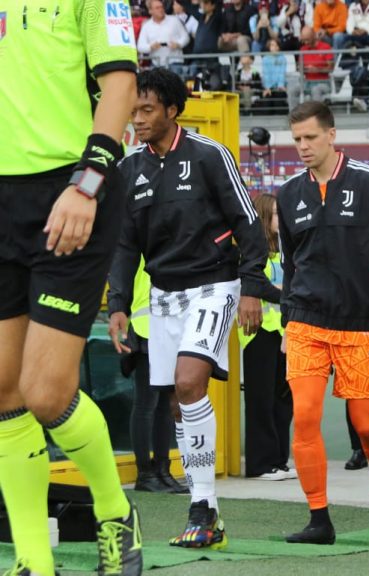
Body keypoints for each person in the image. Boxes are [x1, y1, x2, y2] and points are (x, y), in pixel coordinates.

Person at [0, 0, 141, 570]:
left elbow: (121, 85)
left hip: (72, 191)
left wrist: (88, 182)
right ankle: (34, 561)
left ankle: (115, 511)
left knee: (45, 393)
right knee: (3, 392)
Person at [108, 68, 269, 549]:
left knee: (188, 383)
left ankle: (202, 507)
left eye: (147, 110)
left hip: (213, 285)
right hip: (163, 297)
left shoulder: (208, 155)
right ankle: (207, 512)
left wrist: (252, 287)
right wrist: (117, 304)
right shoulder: (129, 170)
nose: (138, 119)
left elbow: (249, 223)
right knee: (179, 401)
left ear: (172, 110)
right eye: (133, 111)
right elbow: (124, 245)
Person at [276, 101, 369, 544]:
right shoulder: (288, 193)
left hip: (360, 323)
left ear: (332, 135)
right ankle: (319, 519)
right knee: (304, 416)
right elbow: (291, 265)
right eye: (297, 139)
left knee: (368, 425)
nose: (303, 146)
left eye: (310, 137)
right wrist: (287, 321)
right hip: (305, 322)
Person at [111, 260, 189, 494]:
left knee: (164, 405)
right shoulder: (141, 245)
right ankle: (145, 473)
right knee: (146, 404)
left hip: (167, 329)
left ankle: (162, 471)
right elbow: (121, 281)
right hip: (146, 329)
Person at [239, 194, 296, 481]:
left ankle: (279, 460)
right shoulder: (253, 253)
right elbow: (258, 285)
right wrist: (285, 294)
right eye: (275, 214)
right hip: (259, 333)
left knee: (283, 400)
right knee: (261, 400)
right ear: (264, 216)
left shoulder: (285, 252)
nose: (280, 220)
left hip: (284, 333)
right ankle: (259, 464)